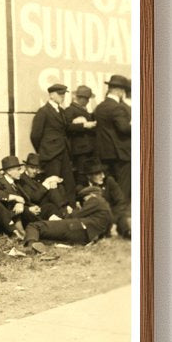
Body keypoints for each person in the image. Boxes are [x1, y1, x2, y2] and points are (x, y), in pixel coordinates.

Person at [21, 186, 113, 255]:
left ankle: (30, 246)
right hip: (84, 237)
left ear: (92, 195)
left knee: (34, 225)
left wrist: (68, 214)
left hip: (76, 226)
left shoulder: (95, 200)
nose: (85, 202)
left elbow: (75, 215)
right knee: (48, 236)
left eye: (85, 199)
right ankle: (39, 244)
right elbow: (109, 226)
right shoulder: (105, 206)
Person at [30, 82, 75, 202]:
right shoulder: (43, 111)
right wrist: (44, 151)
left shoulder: (61, 111)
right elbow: (35, 135)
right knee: (53, 184)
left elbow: (66, 128)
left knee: (69, 183)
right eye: (60, 94)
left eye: (64, 94)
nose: (63, 96)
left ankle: (71, 211)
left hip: (63, 151)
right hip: (51, 154)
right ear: (51, 95)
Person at [94, 74, 132, 202]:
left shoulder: (100, 107)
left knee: (110, 187)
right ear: (120, 91)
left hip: (105, 154)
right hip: (120, 156)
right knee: (123, 189)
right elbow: (124, 128)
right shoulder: (117, 107)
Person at [80, 157, 130, 238]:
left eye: (102, 173)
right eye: (98, 173)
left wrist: (113, 222)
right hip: (97, 217)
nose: (102, 176)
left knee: (122, 221)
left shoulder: (109, 181)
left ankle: (128, 233)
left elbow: (121, 201)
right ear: (88, 176)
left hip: (112, 213)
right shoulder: (82, 187)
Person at [64, 84, 96, 185]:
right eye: (87, 99)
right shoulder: (70, 110)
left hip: (85, 149)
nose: (88, 101)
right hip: (80, 150)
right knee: (81, 175)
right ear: (82, 99)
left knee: (86, 174)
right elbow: (67, 127)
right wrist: (84, 125)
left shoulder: (81, 110)